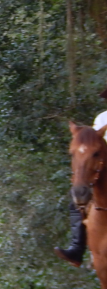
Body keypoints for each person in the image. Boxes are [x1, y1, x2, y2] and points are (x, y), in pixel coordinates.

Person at [54, 84, 107, 267]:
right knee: (77, 203)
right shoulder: (102, 118)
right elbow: (92, 144)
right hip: (103, 169)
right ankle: (77, 249)